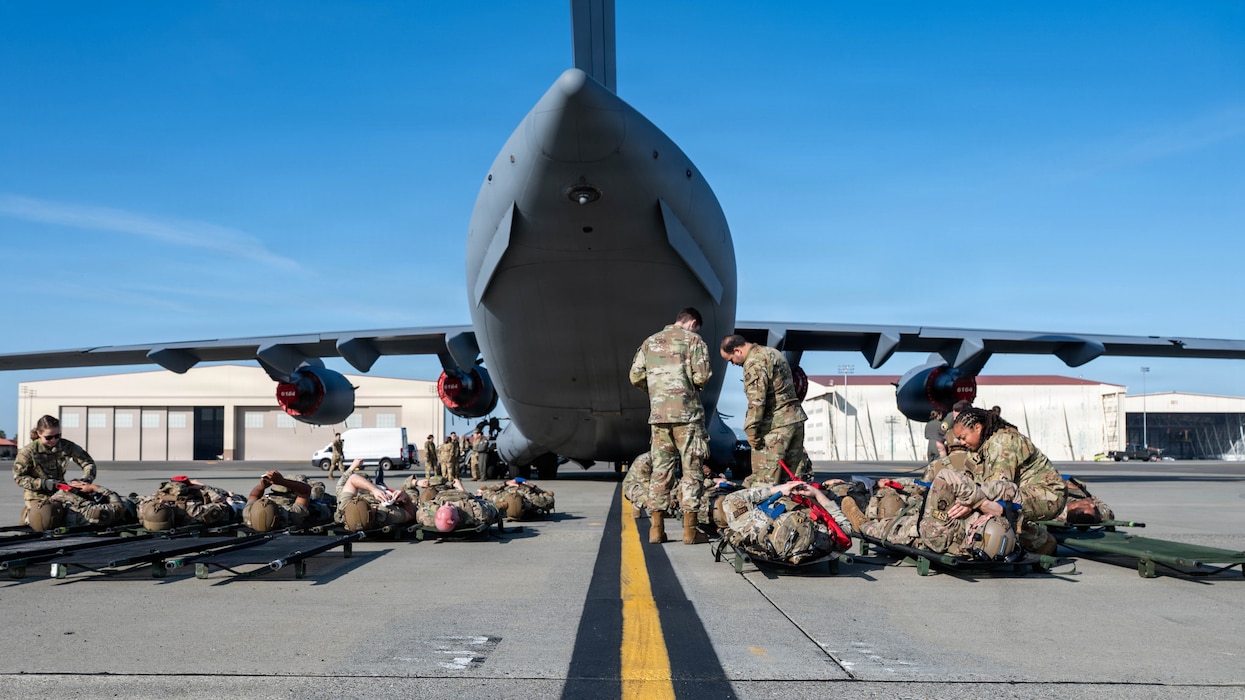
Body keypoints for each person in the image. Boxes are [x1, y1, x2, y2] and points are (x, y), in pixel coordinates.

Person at [629, 307, 713, 545]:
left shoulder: (650, 342)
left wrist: (657, 391)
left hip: (658, 416)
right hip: (688, 416)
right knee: (691, 471)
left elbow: (635, 376)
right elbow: (702, 376)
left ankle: (656, 529)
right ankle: (690, 531)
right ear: (693, 323)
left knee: (660, 471)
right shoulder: (694, 341)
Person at [840, 464, 1020, 561]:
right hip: (927, 505)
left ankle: (859, 513)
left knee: (879, 511)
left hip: (907, 528)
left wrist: (979, 500)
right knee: (903, 493)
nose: (981, 518)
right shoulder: (1001, 527)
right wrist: (985, 505)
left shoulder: (943, 534)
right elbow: (1013, 491)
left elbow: (946, 476)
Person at [952, 407, 1067, 555]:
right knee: (987, 507)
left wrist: (973, 502)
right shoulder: (980, 448)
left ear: (978, 428)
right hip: (1020, 492)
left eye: (963, 437)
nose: (961, 442)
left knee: (993, 508)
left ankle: (1043, 543)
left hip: (1048, 494)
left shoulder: (1002, 443)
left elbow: (998, 488)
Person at [719, 334, 812, 485]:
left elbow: (757, 401)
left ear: (737, 350)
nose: (733, 364)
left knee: (765, 484)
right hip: (795, 421)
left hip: (775, 427)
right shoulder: (774, 353)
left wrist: (751, 432)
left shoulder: (754, 361)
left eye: (731, 360)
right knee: (793, 482)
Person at [719, 480, 853, 564]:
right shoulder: (821, 538)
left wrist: (779, 489)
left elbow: (733, 497)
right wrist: (817, 494)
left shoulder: (753, 525)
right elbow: (845, 530)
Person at [13, 415, 98, 525]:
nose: (53, 440)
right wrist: (43, 484)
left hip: (61, 492)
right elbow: (19, 478)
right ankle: (28, 516)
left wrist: (85, 480)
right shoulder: (28, 452)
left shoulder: (66, 446)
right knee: (44, 520)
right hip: (37, 495)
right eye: (48, 437)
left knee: (84, 513)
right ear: (39, 434)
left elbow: (88, 463)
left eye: (57, 436)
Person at [334, 459, 416, 532]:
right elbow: (410, 514)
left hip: (363, 492)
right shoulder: (388, 515)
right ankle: (379, 484)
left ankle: (375, 485)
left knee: (342, 486)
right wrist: (405, 498)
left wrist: (374, 490)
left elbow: (351, 479)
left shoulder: (344, 507)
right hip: (378, 495)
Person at [136, 475, 240, 531]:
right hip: (229, 508)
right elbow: (222, 504)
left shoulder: (144, 508)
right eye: (164, 505)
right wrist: (203, 487)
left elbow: (143, 500)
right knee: (233, 500)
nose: (161, 501)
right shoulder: (191, 511)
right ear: (171, 515)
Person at [243, 470, 332, 532]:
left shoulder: (248, 515)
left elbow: (254, 495)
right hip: (301, 499)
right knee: (318, 492)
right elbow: (305, 492)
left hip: (283, 495)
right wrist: (282, 481)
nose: (265, 501)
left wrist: (262, 486)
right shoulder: (293, 515)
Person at [413, 484, 500, 532]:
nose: (448, 503)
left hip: (442, 494)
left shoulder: (425, 516)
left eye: (444, 506)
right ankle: (480, 491)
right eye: (450, 506)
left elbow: (420, 509)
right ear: (457, 519)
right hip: (467, 497)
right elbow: (492, 511)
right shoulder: (476, 512)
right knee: (488, 501)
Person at [477, 477, 555, 521]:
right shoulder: (533, 499)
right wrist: (534, 487)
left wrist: (506, 483)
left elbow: (485, 490)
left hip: (513, 488)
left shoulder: (499, 498)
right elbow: (550, 499)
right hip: (525, 488)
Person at [623, 452, 654, 519]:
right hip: (635, 486)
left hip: (650, 483)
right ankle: (637, 505)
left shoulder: (664, 459)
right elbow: (645, 483)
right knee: (652, 497)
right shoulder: (643, 461)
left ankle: (662, 510)